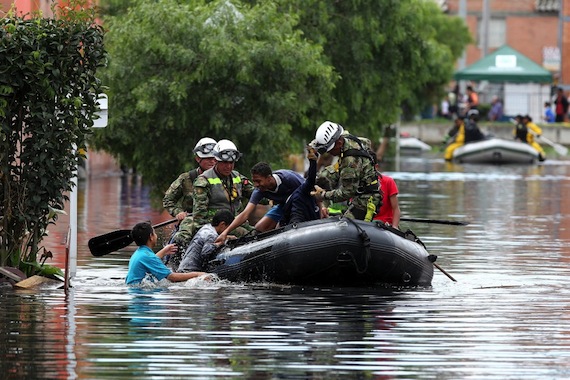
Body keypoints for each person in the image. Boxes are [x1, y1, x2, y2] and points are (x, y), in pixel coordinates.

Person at [214, 161, 305, 243]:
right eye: (254, 181)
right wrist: (225, 232)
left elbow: (311, 191)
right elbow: (245, 214)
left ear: (269, 178)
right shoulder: (259, 191)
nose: (255, 185)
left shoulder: (289, 178)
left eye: (258, 181)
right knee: (259, 228)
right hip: (283, 207)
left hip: (300, 205)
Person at [310, 121, 381, 220]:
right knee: (322, 177)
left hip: (366, 198)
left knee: (345, 223)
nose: (330, 153)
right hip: (355, 177)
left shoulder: (350, 162)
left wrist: (323, 195)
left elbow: (347, 192)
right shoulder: (345, 137)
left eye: (331, 150)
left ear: (339, 143)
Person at [192, 139, 255, 239]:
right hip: (216, 226)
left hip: (238, 222)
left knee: (259, 232)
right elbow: (199, 219)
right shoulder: (203, 181)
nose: (229, 167)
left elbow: (256, 194)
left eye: (231, 163)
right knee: (247, 234)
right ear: (216, 160)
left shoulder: (237, 177)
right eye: (225, 163)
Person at [163, 137, 217, 253]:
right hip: (192, 222)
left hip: (218, 220)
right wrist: (178, 212)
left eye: (214, 158)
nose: (212, 161)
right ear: (198, 158)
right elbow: (168, 200)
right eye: (208, 158)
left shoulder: (226, 178)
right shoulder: (186, 178)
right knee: (181, 238)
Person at [125, 222, 208, 285]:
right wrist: (199, 274)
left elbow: (151, 261)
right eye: (154, 233)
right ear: (151, 237)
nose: (156, 235)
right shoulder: (146, 257)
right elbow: (172, 277)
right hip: (140, 293)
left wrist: (164, 251)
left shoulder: (139, 253)